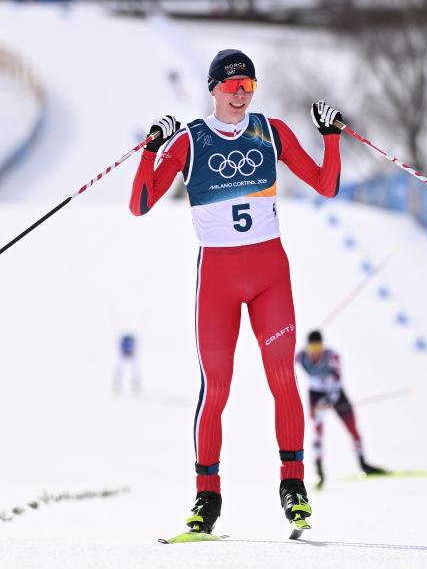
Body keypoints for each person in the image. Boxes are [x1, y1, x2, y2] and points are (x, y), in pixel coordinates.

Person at [130, 49, 343, 535]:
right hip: (218, 282)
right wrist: (150, 149)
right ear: (214, 89)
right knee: (216, 388)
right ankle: (207, 497)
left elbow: (325, 185)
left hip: (270, 276)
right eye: (232, 86)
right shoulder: (190, 140)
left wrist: (330, 137)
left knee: (282, 379)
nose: (241, 94)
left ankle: (294, 486)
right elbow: (140, 203)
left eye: (249, 85)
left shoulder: (271, 132)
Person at [297, 330, 385, 489]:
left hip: (336, 393)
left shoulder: (333, 356)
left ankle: (363, 464)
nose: (316, 351)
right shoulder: (301, 357)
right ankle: (319, 472)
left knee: (352, 428)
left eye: (318, 347)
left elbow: (337, 381)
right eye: (312, 348)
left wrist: (328, 401)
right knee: (317, 432)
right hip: (315, 395)